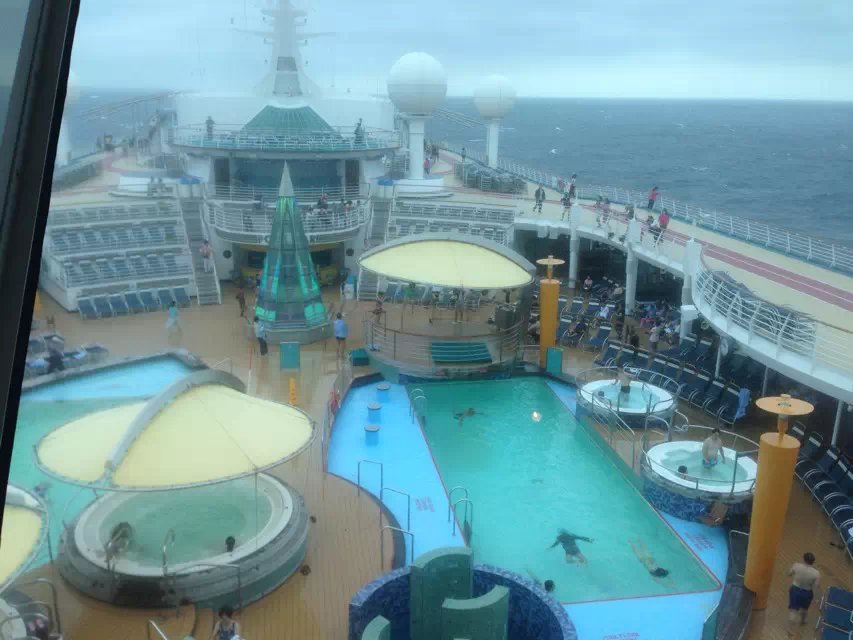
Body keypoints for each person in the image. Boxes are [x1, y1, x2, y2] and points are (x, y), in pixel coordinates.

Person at [787, 552, 820, 631]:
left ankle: (790, 629)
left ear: (803, 559)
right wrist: (816, 598)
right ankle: (803, 620)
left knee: (794, 610)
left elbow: (789, 574)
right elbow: (815, 587)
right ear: (813, 562)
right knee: (805, 608)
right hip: (807, 592)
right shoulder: (816, 573)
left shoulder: (796, 566)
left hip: (795, 590)